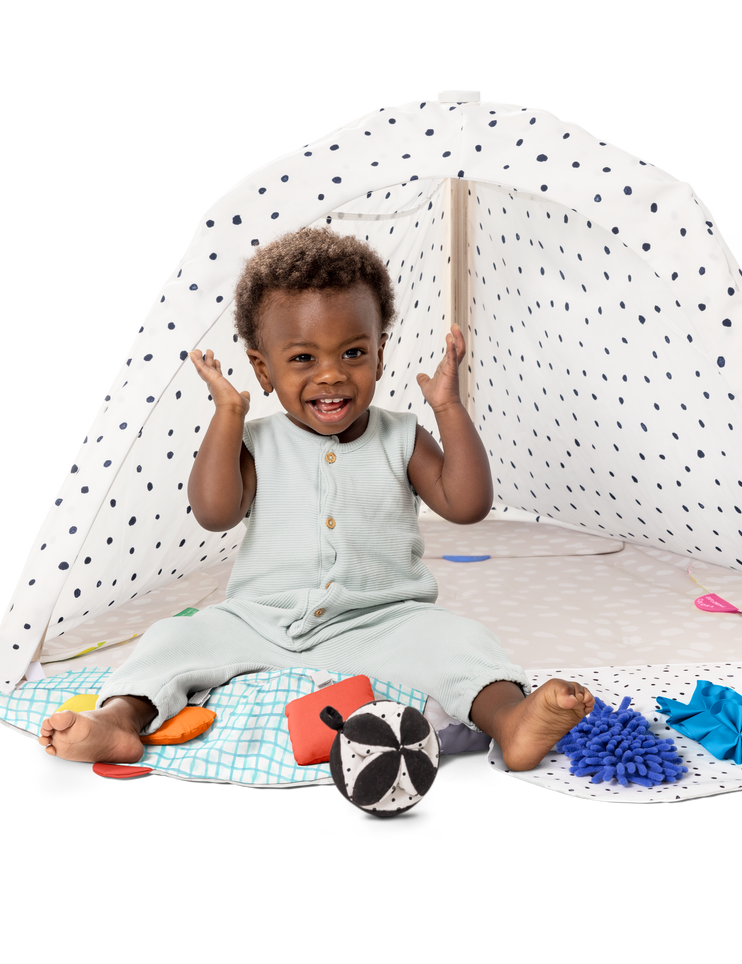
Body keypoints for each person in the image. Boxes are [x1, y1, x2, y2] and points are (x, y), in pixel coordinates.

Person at [40, 227, 594, 772]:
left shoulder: (401, 435)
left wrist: (448, 407)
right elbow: (215, 513)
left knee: (460, 642)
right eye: (303, 359)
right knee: (174, 638)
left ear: (379, 354)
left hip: (384, 621)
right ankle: (118, 721)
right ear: (263, 369)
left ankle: (513, 721)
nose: (331, 375)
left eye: (353, 352)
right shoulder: (258, 439)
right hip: (258, 621)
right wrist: (228, 415)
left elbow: (466, 504)